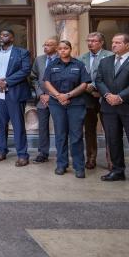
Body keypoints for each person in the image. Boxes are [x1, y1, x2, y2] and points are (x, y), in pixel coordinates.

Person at [96, 33, 129, 191]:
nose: (113, 45)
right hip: (109, 108)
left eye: (117, 43)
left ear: (127, 45)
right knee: (113, 140)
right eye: (113, 42)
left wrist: (120, 97)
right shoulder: (105, 62)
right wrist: (107, 95)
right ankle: (117, 170)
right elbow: (99, 80)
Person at [43, 40, 90, 178]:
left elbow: (84, 84)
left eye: (66, 48)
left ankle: (79, 166)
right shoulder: (52, 65)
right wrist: (59, 96)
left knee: (76, 136)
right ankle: (61, 164)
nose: (63, 51)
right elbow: (47, 82)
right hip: (57, 105)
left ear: (70, 49)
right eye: (60, 49)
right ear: (57, 50)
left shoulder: (79, 64)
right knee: (60, 135)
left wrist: (68, 95)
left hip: (76, 103)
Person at [0, 29, 32, 167]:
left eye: (5, 35)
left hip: (15, 92)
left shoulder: (22, 52)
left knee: (18, 125)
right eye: (1, 34)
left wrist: (6, 82)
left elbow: (25, 70)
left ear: (12, 38)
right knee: (1, 124)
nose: (2, 37)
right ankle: (2, 150)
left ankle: (22, 155)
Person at [79, 32, 113, 170]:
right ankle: (91, 158)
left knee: (110, 130)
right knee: (89, 130)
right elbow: (79, 76)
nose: (90, 43)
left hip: (106, 98)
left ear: (101, 42)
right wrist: (88, 87)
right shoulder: (82, 58)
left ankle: (112, 161)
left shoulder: (110, 56)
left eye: (93, 41)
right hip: (88, 98)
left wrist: (101, 91)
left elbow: (112, 77)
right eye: (88, 40)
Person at [30, 36, 59, 163]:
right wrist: (41, 93)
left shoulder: (62, 59)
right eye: (45, 44)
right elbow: (33, 77)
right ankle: (43, 153)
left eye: (49, 44)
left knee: (60, 127)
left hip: (57, 99)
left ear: (57, 47)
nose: (46, 47)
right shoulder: (39, 59)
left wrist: (51, 95)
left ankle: (61, 152)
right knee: (42, 127)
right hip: (42, 99)